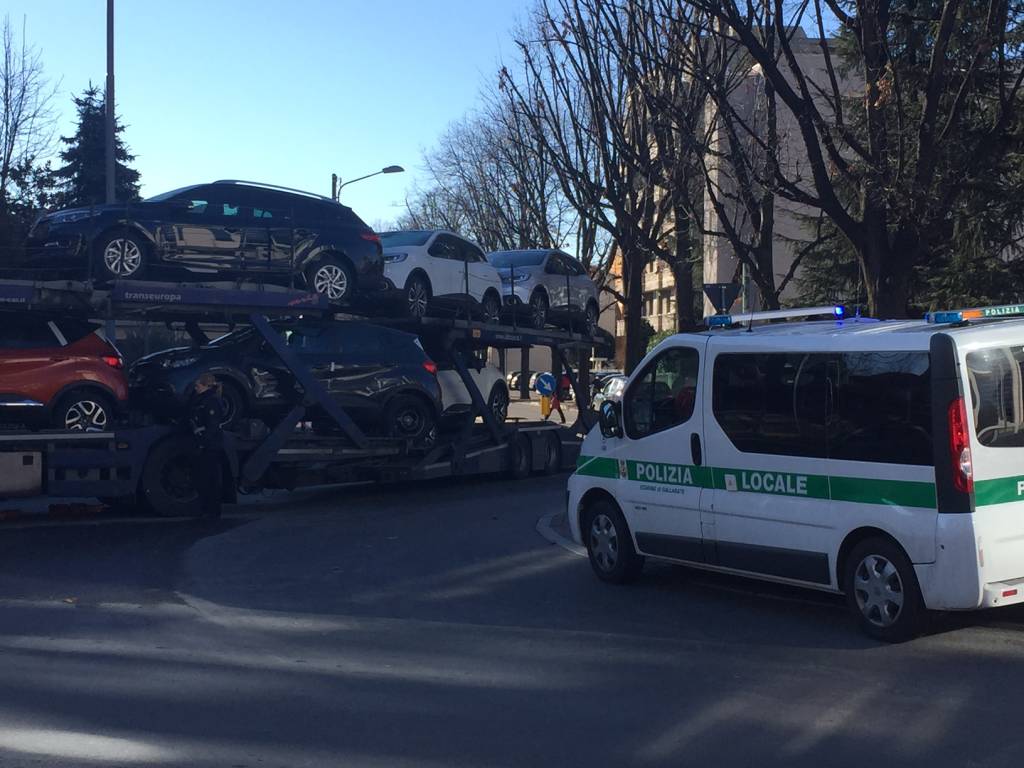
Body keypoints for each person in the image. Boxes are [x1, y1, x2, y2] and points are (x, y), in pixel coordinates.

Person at [188, 372, 226, 519]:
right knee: (203, 478)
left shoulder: (211, 402)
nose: (195, 387)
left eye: (198, 385)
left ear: (205, 385)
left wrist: (203, 443)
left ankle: (213, 510)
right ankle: (206, 509)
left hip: (210, 446)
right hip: (204, 444)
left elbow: (212, 425)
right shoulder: (202, 399)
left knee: (210, 478)